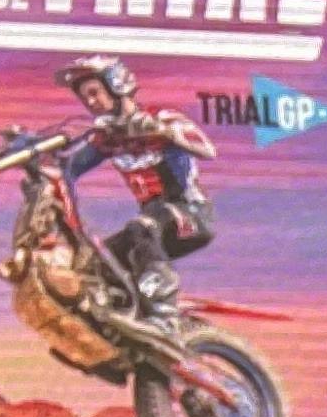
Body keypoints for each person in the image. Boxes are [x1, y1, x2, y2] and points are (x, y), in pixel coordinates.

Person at [58, 53, 215, 313]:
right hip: (152, 227)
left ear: (116, 85)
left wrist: (164, 131)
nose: (90, 102)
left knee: (140, 227)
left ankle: (162, 298)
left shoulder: (161, 117)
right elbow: (68, 167)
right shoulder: (107, 138)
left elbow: (207, 149)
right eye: (85, 97)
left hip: (191, 214)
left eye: (95, 93)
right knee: (97, 262)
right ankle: (124, 313)